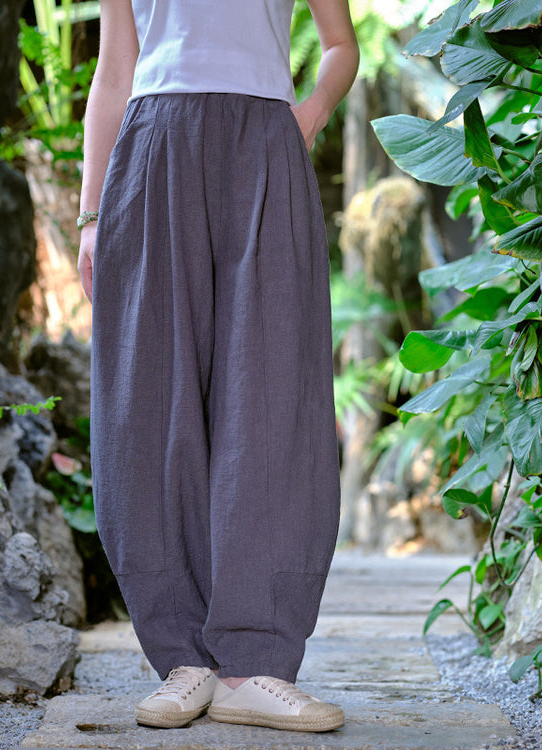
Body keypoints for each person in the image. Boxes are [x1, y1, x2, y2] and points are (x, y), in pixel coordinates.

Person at [77, 0, 359, 733]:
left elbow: (340, 45)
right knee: (149, 399)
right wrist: (90, 214)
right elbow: (114, 72)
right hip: (152, 150)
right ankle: (185, 659)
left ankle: (255, 664)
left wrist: (307, 116)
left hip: (265, 143)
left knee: (271, 394)